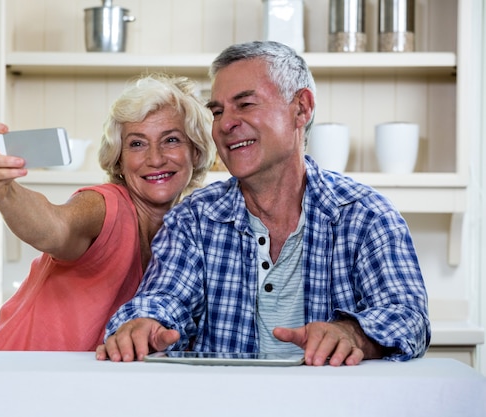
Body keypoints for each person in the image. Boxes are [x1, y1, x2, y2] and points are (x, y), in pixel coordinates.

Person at [96, 41, 431, 366]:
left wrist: (353, 334)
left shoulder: (366, 215)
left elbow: (408, 317)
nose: (226, 124)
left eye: (245, 104)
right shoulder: (193, 220)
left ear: (301, 108)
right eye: (217, 111)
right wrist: (144, 324)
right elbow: (165, 299)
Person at [0, 73, 215, 351]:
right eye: (137, 144)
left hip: (61, 386)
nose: (155, 158)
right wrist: (3, 192)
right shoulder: (106, 205)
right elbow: (57, 228)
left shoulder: (185, 235)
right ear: (118, 160)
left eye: (171, 140)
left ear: (197, 152)